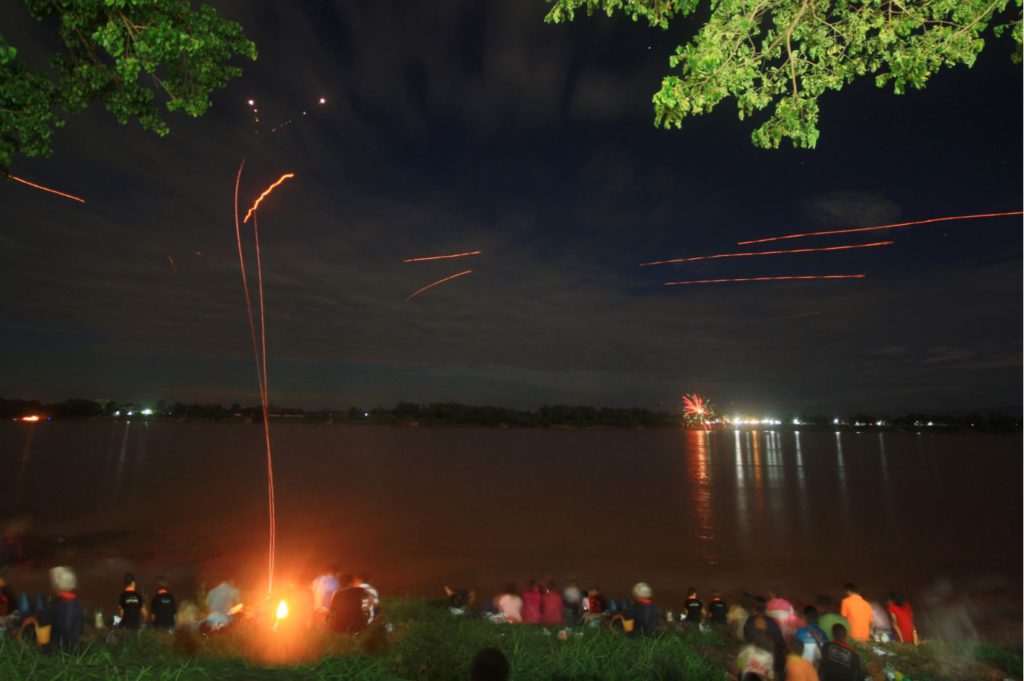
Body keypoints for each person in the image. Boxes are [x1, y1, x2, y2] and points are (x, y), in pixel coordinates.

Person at [26, 566, 83, 652]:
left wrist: (34, 618)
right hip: (74, 647)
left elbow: (44, 619)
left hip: (55, 649)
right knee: (39, 600)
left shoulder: (56, 605)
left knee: (32, 600)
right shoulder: (78, 603)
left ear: (56, 584)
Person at [745, 597, 787, 679]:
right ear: (765, 608)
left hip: (752, 655)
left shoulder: (749, 621)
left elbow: (746, 637)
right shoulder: (771, 622)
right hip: (769, 657)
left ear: (754, 608)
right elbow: (780, 640)